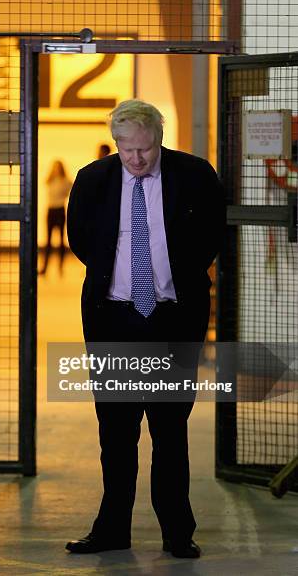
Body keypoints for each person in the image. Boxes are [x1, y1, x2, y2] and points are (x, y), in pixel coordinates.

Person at [66, 100, 226, 557]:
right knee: (116, 432)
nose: (137, 159)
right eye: (127, 149)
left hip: (172, 318)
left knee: (169, 429)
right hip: (114, 317)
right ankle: (112, 529)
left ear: (160, 136)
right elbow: (80, 238)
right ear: (116, 143)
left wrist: (173, 278)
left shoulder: (195, 175)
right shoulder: (93, 179)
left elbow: (211, 235)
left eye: (146, 149)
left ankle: (177, 532)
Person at [38, 159, 71, 275]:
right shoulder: (50, 180)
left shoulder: (66, 181)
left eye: (58, 167)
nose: (56, 169)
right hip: (50, 210)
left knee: (61, 240)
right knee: (48, 241)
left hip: (60, 210)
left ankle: (60, 267)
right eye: (54, 167)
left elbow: (67, 193)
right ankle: (44, 267)